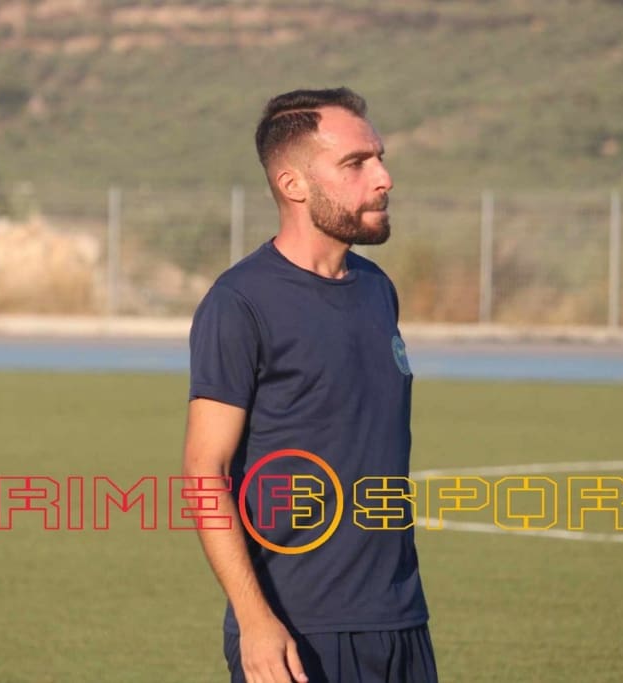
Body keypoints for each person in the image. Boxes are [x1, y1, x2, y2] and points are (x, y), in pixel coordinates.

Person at [183, 87, 438, 683]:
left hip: (401, 620)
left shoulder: (377, 289)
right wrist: (254, 620)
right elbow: (204, 471)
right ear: (293, 184)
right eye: (356, 163)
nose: (384, 178)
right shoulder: (240, 302)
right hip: (298, 634)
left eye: (379, 158)